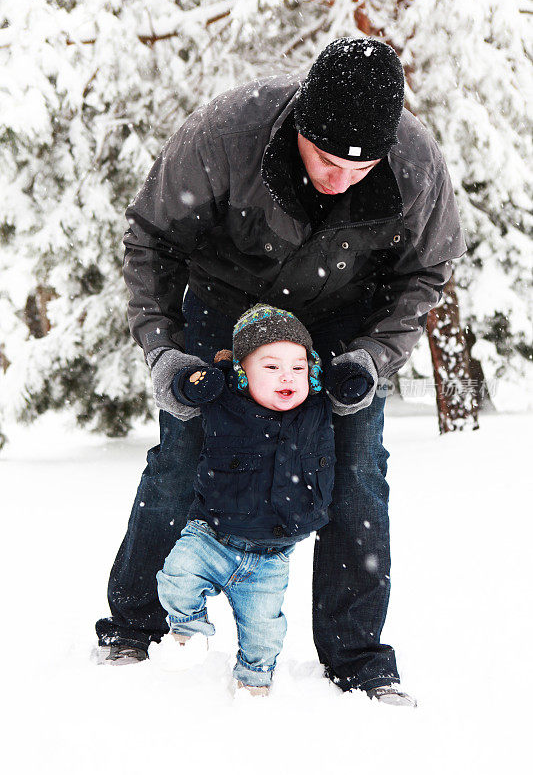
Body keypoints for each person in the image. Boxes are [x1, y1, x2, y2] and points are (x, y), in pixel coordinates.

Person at [96, 37, 465, 704]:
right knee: (184, 456)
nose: (339, 178)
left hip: (341, 326)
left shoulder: (413, 163)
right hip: (225, 308)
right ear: (300, 125)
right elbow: (150, 239)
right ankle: (136, 626)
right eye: (325, 160)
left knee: (356, 472)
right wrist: (165, 351)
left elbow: (428, 268)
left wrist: (375, 357)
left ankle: (356, 659)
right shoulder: (226, 134)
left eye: (359, 167)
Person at [156, 303, 336, 695]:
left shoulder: (318, 406)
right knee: (175, 579)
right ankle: (189, 631)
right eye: (271, 367)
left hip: (271, 557)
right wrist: (193, 384)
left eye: (299, 367)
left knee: (264, 630)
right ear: (242, 372)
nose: (287, 375)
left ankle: (254, 678)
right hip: (210, 536)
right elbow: (184, 387)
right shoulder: (223, 399)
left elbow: (345, 382)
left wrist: (352, 380)